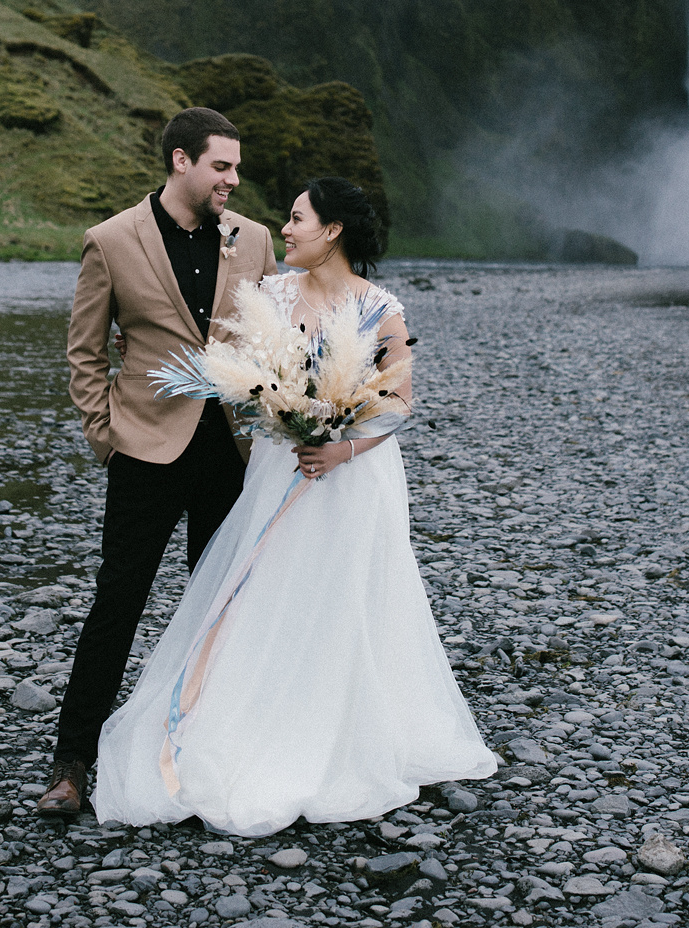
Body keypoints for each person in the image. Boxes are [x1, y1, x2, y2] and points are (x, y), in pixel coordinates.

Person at [90, 176, 497, 836]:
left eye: (297, 219)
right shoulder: (274, 295)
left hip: (351, 474)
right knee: (266, 588)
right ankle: (250, 717)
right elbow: (231, 367)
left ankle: (344, 726)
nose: (284, 229)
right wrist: (142, 349)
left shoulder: (378, 308)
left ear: (332, 230)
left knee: (344, 593)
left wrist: (340, 448)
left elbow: (398, 402)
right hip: (280, 467)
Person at [35, 107, 279, 816]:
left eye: (236, 167)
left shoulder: (255, 240)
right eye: (221, 166)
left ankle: (211, 755)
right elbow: (85, 351)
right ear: (181, 161)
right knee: (118, 602)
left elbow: (277, 340)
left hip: (232, 450)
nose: (233, 180)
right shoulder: (111, 240)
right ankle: (72, 763)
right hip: (144, 449)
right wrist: (104, 433)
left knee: (222, 606)